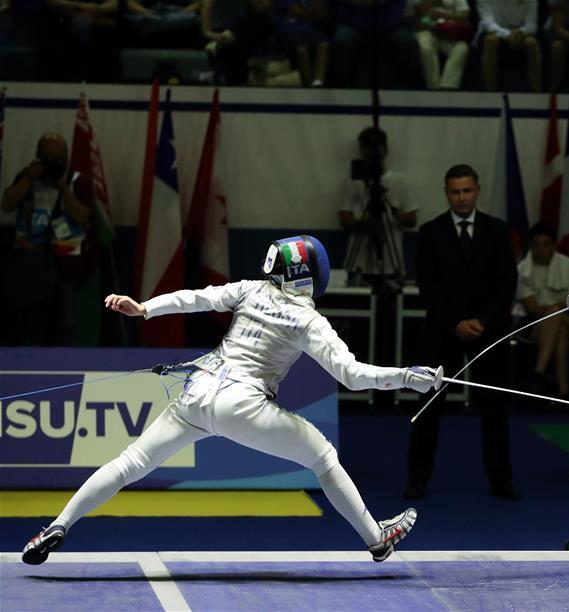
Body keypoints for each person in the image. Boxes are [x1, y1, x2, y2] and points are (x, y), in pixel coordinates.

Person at [22, 235, 441, 566]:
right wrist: (407, 377)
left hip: (196, 394)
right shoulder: (309, 320)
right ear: (310, 275)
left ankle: (57, 525)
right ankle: (375, 538)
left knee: (129, 463)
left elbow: (195, 297)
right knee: (323, 458)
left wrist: (144, 309)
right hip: (243, 405)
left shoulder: (249, 289)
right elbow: (353, 376)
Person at [405, 164, 519, 501]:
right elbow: (427, 283)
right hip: (442, 330)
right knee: (427, 407)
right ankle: (417, 479)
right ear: (446, 193)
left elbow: (507, 282)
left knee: (495, 409)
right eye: (455, 191)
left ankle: (502, 480)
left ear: (477, 190)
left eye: (467, 190)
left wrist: (482, 320)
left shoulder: (498, 231)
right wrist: (455, 321)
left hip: (489, 331)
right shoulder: (430, 231)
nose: (461, 197)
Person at [1, 132, 93, 346]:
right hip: (28, 262)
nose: (52, 164)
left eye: (57, 159)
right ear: (38, 157)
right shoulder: (27, 177)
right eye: (47, 158)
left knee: (65, 323)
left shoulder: (77, 180)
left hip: (65, 263)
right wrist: (29, 178)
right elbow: (6, 205)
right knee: (28, 324)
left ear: (66, 158)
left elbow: (84, 217)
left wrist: (62, 187)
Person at [339, 126, 417, 279]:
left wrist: (396, 215)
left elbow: (412, 220)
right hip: (358, 264)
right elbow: (344, 219)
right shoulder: (352, 182)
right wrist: (368, 225)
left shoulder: (401, 181)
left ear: (385, 150)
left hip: (391, 264)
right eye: (365, 150)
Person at [516, 222, 569, 397]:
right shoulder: (522, 269)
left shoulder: (567, 265)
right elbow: (532, 309)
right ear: (530, 245)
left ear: (553, 246)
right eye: (536, 244)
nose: (541, 249)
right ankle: (564, 392)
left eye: (545, 244)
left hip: (566, 318)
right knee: (559, 330)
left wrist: (553, 309)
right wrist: (556, 308)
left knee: (556, 319)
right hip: (533, 323)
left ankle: (538, 373)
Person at [477, 0, 542, 92]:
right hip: (497, 32)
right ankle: (490, 91)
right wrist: (507, 35)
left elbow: (532, 25)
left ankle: (537, 93)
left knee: (532, 43)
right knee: (490, 41)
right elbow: (488, 24)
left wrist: (520, 32)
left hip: (520, 33)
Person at [414, 0, 471, 90]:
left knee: (462, 48)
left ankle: (448, 86)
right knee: (426, 48)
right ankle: (433, 86)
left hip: (449, 34)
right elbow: (418, 23)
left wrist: (445, 14)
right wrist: (429, 20)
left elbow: (466, 15)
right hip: (428, 32)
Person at [272, 0, 329, 86]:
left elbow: (322, 12)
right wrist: (315, 14)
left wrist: (316, 12)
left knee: (323, 45)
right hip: (289, 28)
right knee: (302, 50)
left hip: (309, 28)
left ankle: (318, 82)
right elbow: (297, 12)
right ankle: (308, 84)